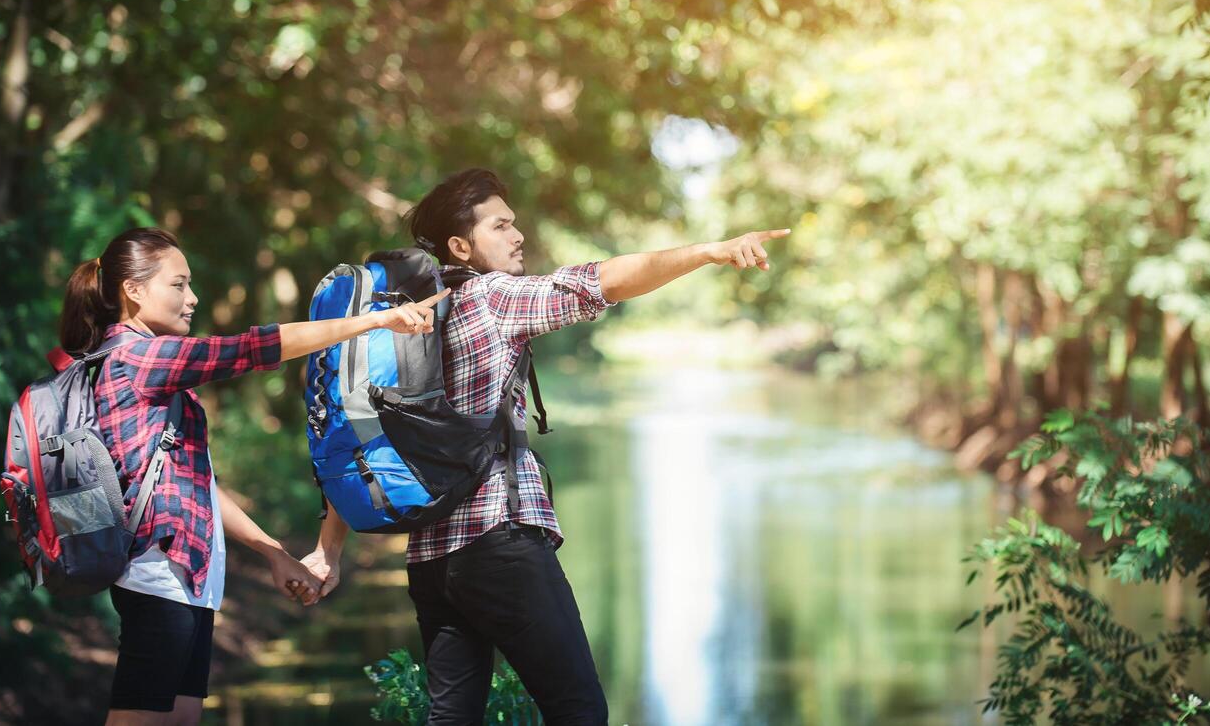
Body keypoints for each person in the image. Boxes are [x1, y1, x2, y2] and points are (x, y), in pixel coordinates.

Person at [299, 168, 789, 725]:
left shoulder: (409, 317)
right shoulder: (491, 298)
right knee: (576, 709)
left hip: (433, 560)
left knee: (449, 719)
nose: (518, 235)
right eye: (500, 225)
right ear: (461, 246)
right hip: (499, 543)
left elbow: (356, 428)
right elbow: (602, 281)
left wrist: (329, 548)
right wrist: (707, 251)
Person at [58, 226, 445, 726]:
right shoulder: (139, 357)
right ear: (133, 290)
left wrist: (272, 552)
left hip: (185, 577)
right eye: (178, 285)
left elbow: (194, 484)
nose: (192, 297)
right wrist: (374, 321)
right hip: (158, 578)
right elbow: (254, 347)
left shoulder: (150, 364)